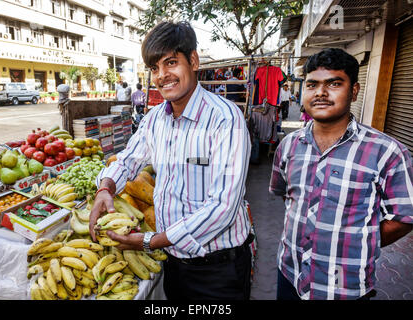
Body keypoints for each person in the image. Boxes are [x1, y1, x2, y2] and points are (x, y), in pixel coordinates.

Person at [90, 21, 253, 300]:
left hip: (218, 271)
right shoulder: (155, 119)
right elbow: (128, 159)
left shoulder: (225, 120)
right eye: (154, 68)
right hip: (174, 265)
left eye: (171, 63)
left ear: (193, 61)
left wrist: (150, 241)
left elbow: (222, 207)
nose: (162, 75)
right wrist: (105, 188)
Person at [269, 48, 413, 300]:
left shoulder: (387, 151)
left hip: (345, 287)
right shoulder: (288, 145)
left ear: (354, 90)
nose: (321, 93)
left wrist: (361, 241)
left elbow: (404, 217)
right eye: (312, 84)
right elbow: (286, 195)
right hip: (290, 276)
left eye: (334, 83)